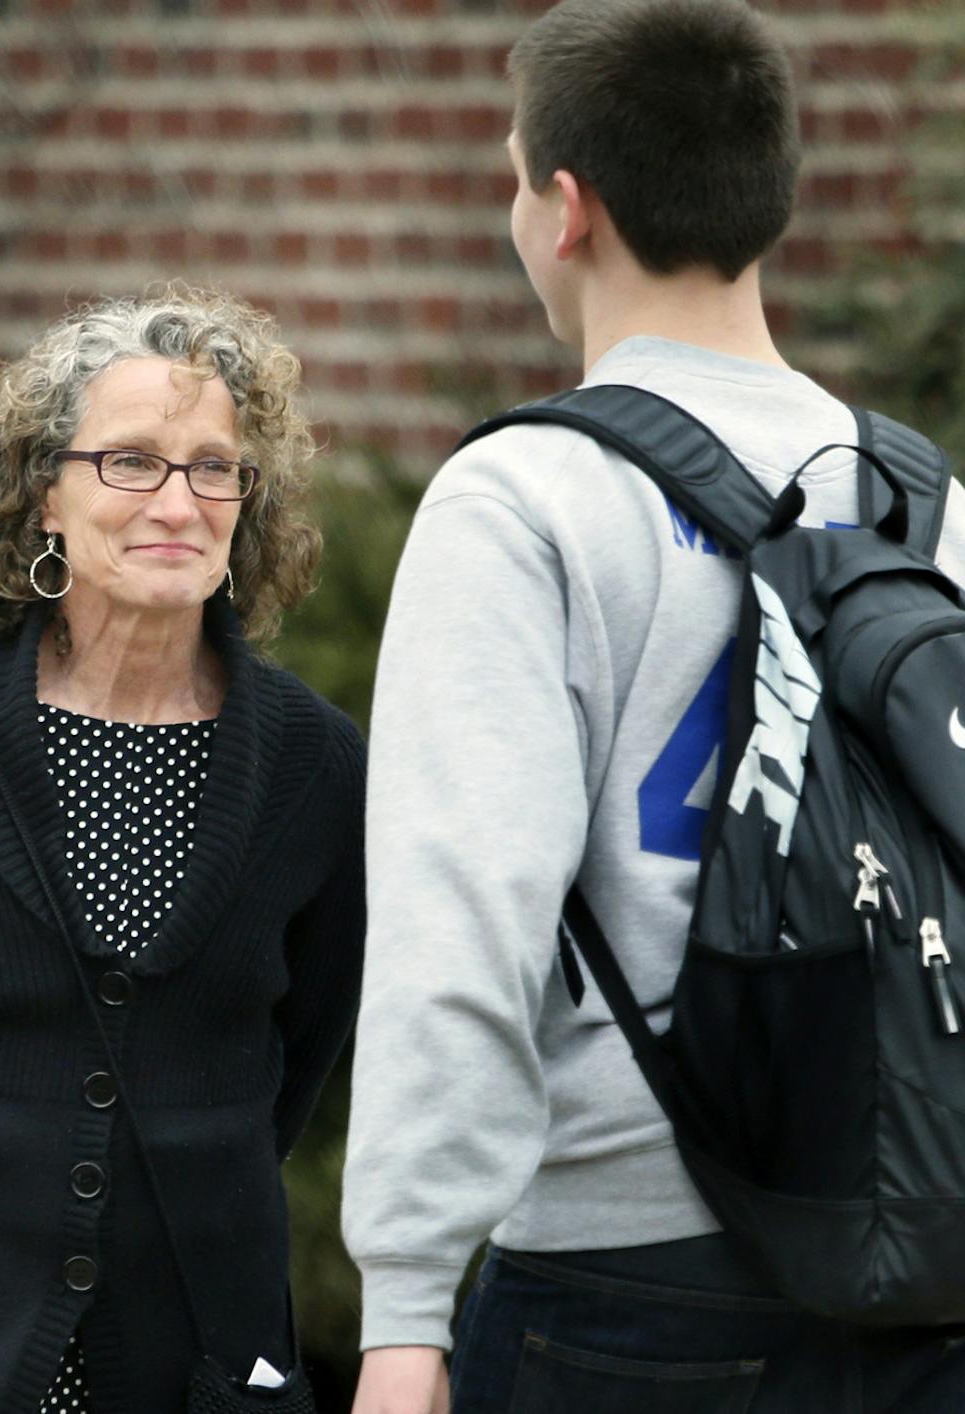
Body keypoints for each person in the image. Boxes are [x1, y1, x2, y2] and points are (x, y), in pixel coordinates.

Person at [343, 4, 965, 1412]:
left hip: (626, 1289)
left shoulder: (525, 498)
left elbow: (463, 920)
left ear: (568, 209)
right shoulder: (924, 505)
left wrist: (405, 1305)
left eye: (515, 178)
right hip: (922, 1251)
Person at [0, 288, 365, 1411]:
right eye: (131, 462)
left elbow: (302, 1056)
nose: (178, 501)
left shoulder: (316, 771)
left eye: (213, 468)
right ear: (46, 497)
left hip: (199, 1350)